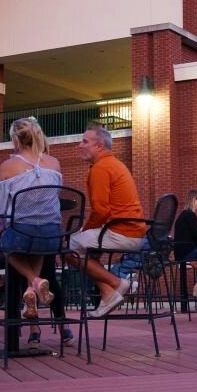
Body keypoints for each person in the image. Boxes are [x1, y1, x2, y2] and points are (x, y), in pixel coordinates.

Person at [67, 125, 146, 318]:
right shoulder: (115, 164)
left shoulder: (101, 168)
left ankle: (117, 283)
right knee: (87, 252)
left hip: (121, 232)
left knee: (67, 249)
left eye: (85, 141)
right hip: (132, 232)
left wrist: (84, 230)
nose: (79, 145)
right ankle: (108, 292)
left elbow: (101, 211)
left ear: (100, 146)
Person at [0, 117, 62, 328]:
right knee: (38, 241)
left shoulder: (8, 166)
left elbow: (2, 208)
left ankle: (34, 281)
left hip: (22, 233)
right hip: (52, 235)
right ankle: (31, 290)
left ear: (16, 139)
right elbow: (55, 198)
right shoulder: (55, 163)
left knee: (5, 245)